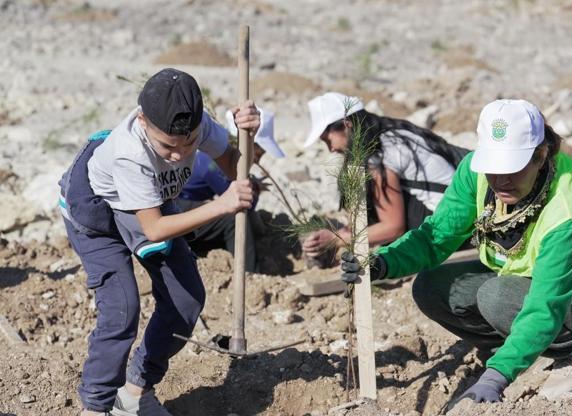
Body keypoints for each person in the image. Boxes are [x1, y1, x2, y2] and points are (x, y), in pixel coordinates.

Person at [341, 99, 572, 407]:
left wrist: (496, 377)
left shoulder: (567, 209)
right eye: (493, 167)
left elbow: (546, 303)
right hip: (522, 280)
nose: (501, 180)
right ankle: (520, 350)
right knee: (432, 287)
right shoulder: (476, 173)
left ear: (541, 156)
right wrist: (382, 262)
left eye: (512, 168)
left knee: (496, 297)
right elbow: (435, 237)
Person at [57, 68, 260, 416]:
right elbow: (153, 229)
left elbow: (234, 167)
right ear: (142, 121)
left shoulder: (196, 127)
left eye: (189, 143)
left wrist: (248, 136)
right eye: (168, 145)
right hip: (96, 213)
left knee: (186, 300)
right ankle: (95, 407)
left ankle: (135, 392)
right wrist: (222, 205)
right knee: (122, 309)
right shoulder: (129, 152)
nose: (180, 155)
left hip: (148, 202)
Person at [301, 92, 469, 265]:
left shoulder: (381, 154)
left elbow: (393, 227)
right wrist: (343, 234)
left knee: (374, 200)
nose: (331, 149)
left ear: (347, 125)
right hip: (462, 214)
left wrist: (336, 240)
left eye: (328, 140)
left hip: (453, 228)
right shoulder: (389, 134)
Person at [177, 109, 285, 272]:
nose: (258, 160)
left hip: (186, 204)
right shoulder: (212, 163)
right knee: (234, 220)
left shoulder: (216, 154)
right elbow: (242, 202)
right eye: (259, 153)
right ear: (248, 144)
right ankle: (249, 274)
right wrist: (254, 188)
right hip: (178, 209)